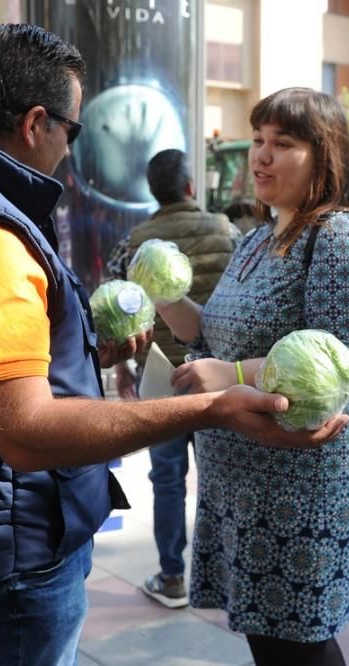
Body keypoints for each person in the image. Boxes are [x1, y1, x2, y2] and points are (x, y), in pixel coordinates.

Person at [0, 25, 346, 665]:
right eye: (73, 129)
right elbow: (25, 432)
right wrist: (211, 408)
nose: (71, 147)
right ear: (37, 123)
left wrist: (81, 352)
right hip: (13, 553)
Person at [156, 87, 349, 666]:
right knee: (273, 642)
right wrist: (160, 295)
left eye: (282, 144)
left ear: (325, 155)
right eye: (258, 140)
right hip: (244, 485)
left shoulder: (338, 236)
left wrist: (230, 372)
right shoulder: (258, 237)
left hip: (302, 486)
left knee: (298, 647)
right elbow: (210, 334)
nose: (260, 156)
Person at [108, 148, 241, 608]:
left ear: (153, 191)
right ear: (191, 187)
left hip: (160, 376)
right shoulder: (228, 232)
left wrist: (126, 364)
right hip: (220, 376)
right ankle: (226, 575)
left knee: (166, 479)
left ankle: (172, 577)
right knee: (217, 476)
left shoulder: (135, 242)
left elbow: (118, 306)